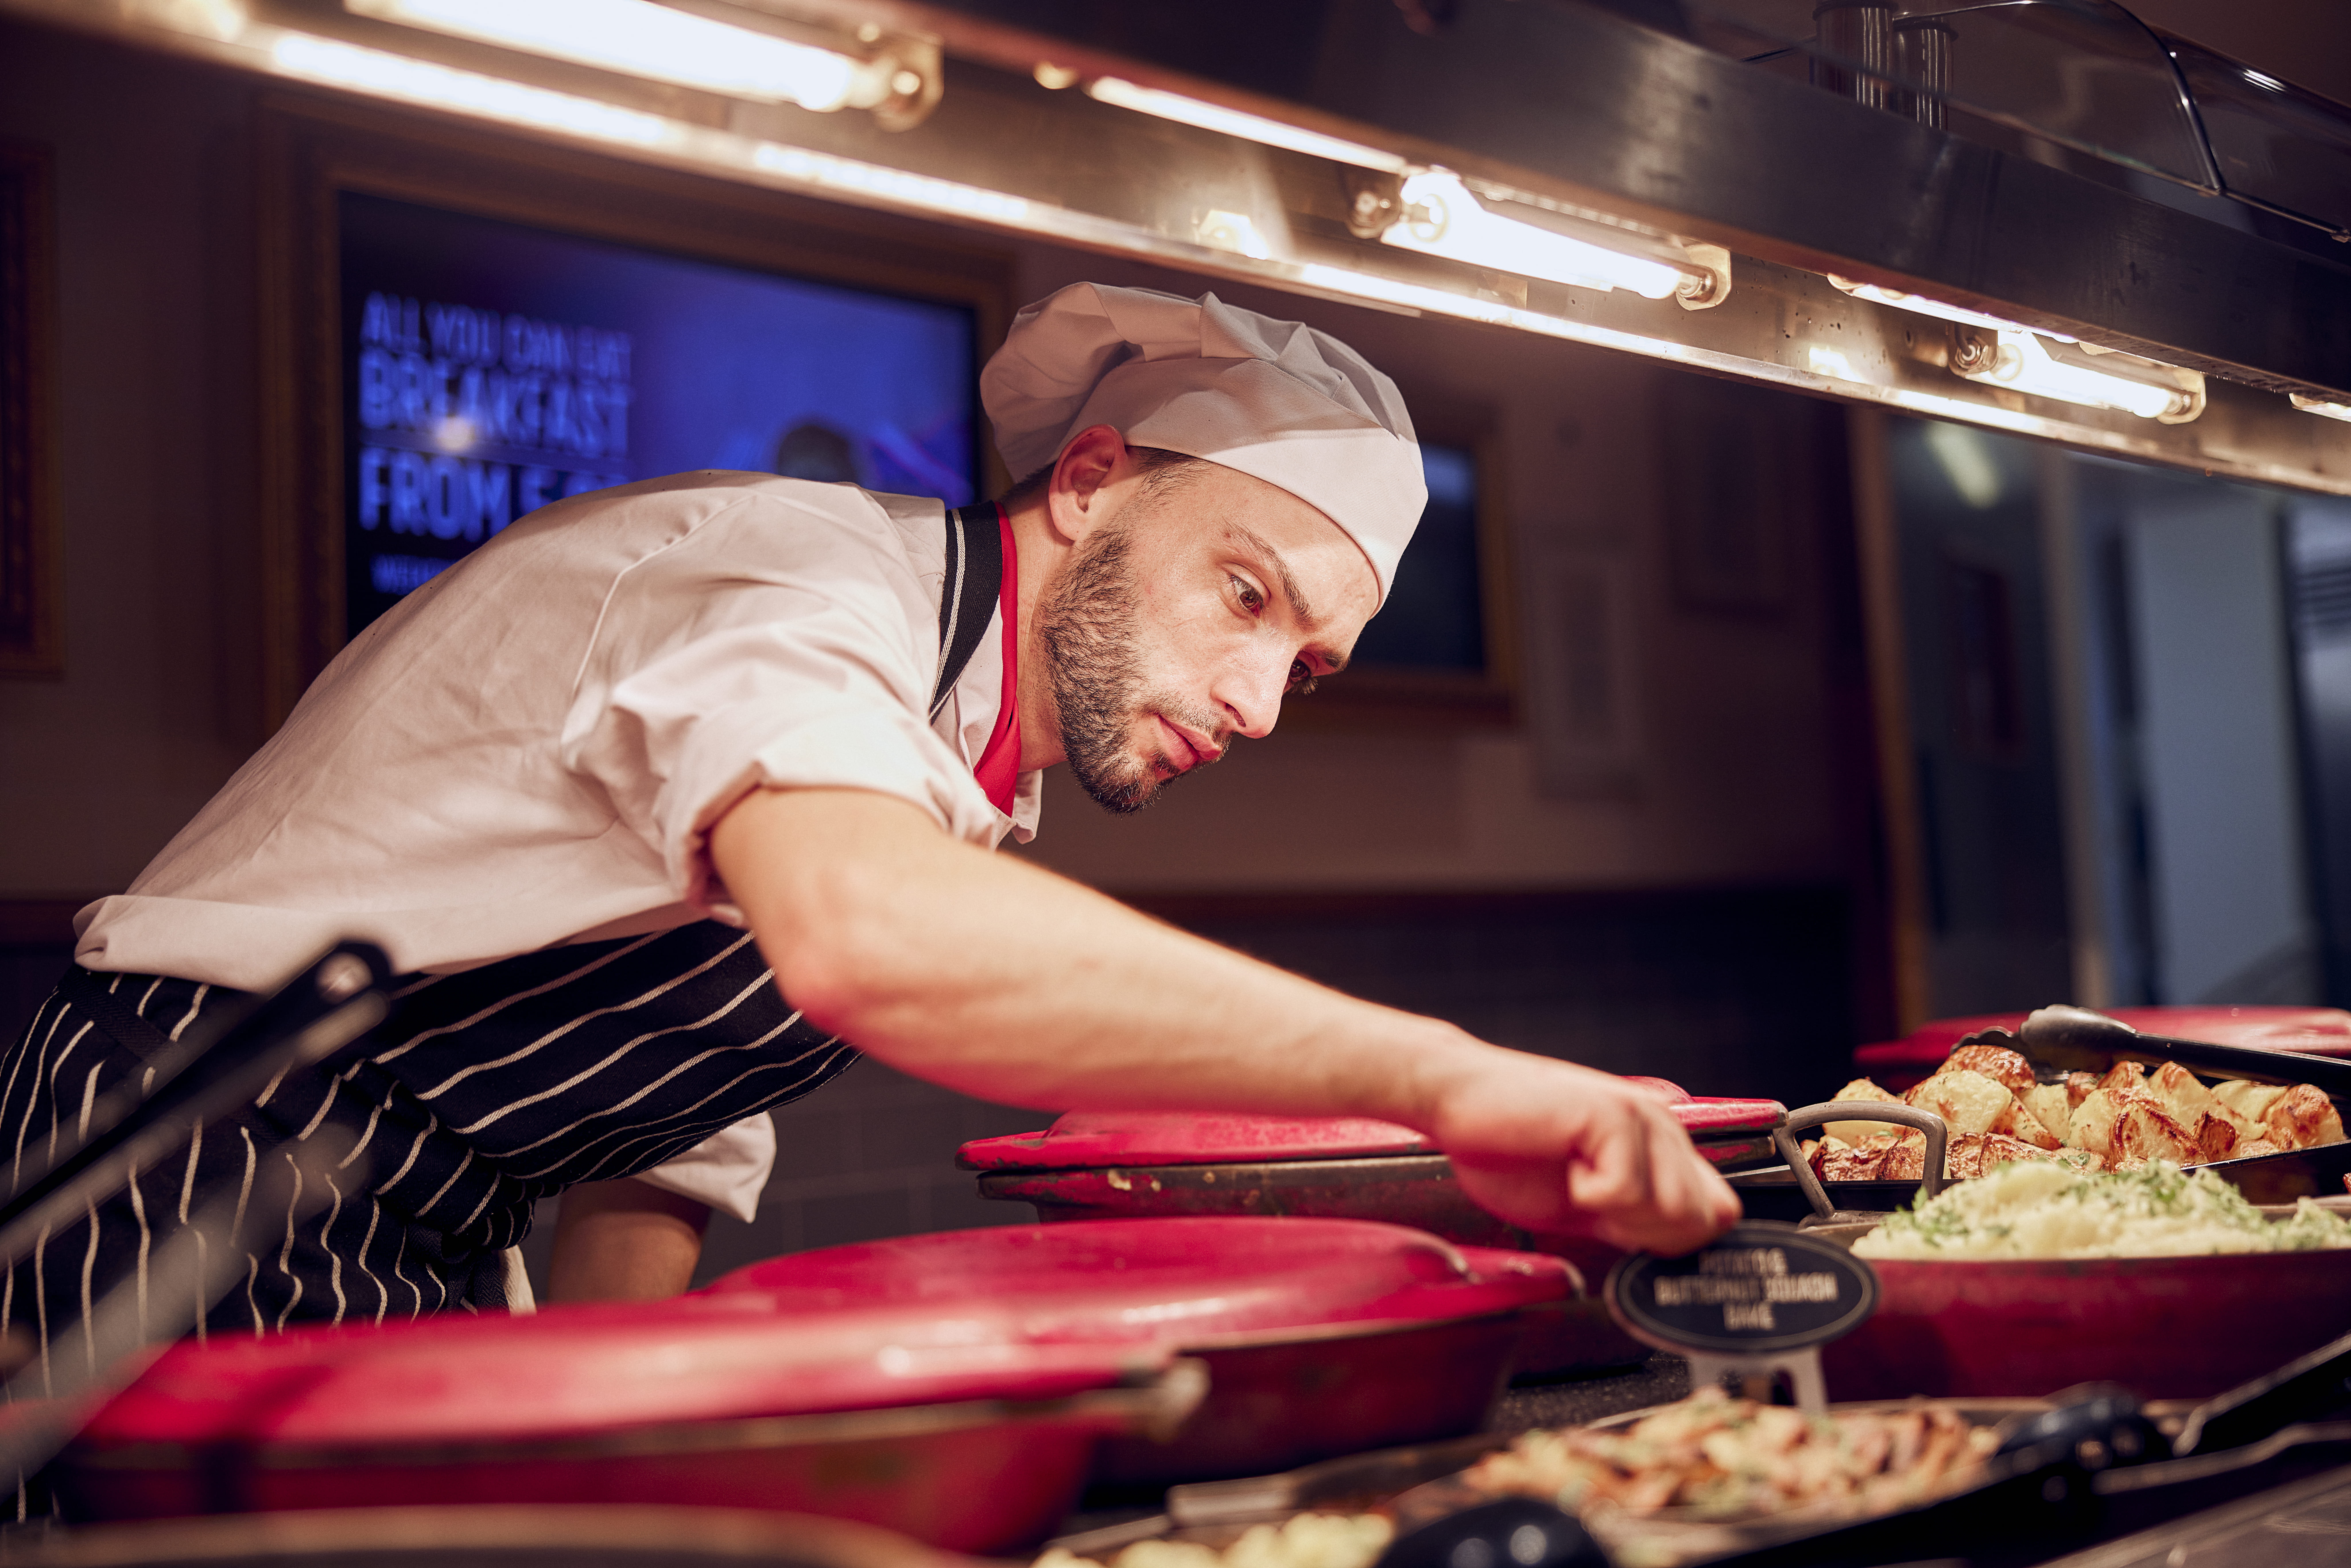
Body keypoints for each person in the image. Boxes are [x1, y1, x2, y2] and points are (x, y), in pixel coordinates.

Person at [13, 283, 1737, 1349]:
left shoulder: (967, 767)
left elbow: (650, 1151)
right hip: (187, 1173)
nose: (1258, 698)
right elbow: (866, 936)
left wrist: (619, 1440)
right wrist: (1442, 1072)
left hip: (407, 1229)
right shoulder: (809, 582)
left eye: (1314, 662)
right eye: (1245, 594)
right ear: (1089, 480)